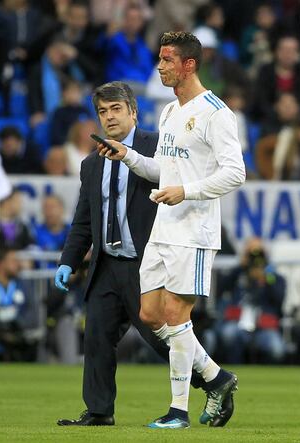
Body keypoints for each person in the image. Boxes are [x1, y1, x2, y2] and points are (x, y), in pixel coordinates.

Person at [54, 81, 230, 427]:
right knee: (97, 337)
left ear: (133, 111)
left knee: (159, 336)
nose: (109, 117)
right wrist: (68, 260)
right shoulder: (92, 164)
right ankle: (100, 411)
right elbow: (83, 220)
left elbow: (184, 180)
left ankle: (213, 380)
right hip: (106, 264)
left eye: (116, 109)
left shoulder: (159, 145)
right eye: (103, 111)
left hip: (146, 259)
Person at [98, 32, 246, 429]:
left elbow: (235, 172)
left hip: (195, 232)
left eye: (167, 60)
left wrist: (188, 191)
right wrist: (127, 155)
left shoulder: (216, 113)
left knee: (178, 315)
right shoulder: (167, 112)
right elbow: (164, 171)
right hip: (163, 229)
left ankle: (178, 412)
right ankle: (217, 378)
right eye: (160, 59)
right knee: (150, 313)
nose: (160, 67)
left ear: (189, 65)